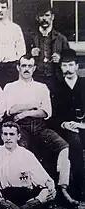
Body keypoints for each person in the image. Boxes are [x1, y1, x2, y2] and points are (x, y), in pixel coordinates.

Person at [3, 54, 75, 205]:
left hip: (40, 125)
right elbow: (11, 110)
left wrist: (25, 112)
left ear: (34, 68)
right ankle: (23, 192)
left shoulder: (42, 87)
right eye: (24, 66)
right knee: (20, 152)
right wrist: (33, 105)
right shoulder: (10, 87)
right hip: (20, 127)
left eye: (30, 66)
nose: (27, 69)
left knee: (64, 147)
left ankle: (63, 187)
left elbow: (46, 112)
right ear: (18, 67)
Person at [0, 121, 56, 209]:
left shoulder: (27, 154)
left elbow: (43, 178)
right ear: (2, 136)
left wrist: (50, 186)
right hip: (5, 195)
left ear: (18, 136)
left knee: (47, 191)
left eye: (11, 134)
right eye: (5, 134)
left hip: (26, 195)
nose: (8, 138)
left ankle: (29, 206)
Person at [51, 49, 85, 205]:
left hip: (82, 125)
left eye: (71, 65)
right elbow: (53, 114)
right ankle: (78, 191)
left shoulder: (84, 84)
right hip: (65, 129)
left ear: (77, 66)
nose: (68, 69)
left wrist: (80, 124)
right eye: (64, 65)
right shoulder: (56, 87)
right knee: (75, 144)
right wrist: (64, 124)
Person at [29, 1, 69, 90]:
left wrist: (60, 59)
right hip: (36, 79)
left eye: (47, 15)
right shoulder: (30, 38)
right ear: (37, 18)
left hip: (55, 79)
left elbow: (69, 59)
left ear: (52, 17)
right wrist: (30, 54)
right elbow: (22, 58)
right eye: (41, 15)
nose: (44, 18)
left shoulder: (61, 38)